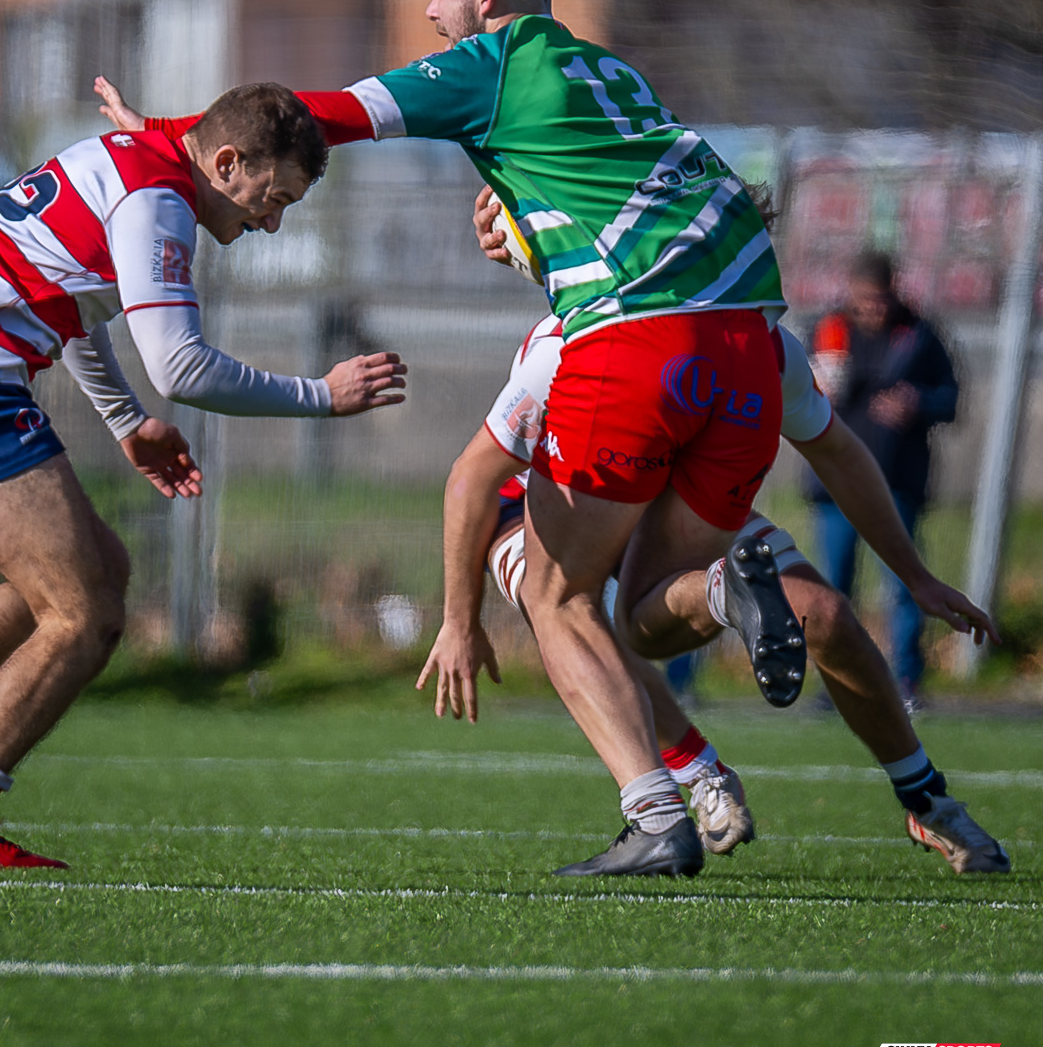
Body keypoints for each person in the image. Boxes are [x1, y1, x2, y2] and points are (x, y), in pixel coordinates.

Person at [98, 0, 803, 880]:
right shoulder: (611, 70)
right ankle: (726, 593)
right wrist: (524, 230)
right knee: (644, 607)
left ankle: (654, 816)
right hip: (745, 341)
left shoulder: (489, 62)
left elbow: (315, 117)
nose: (429, 16)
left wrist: (171, 134)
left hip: (631, 344)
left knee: (552, 592)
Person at [0, 86, 406, 870]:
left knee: (101, 568)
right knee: (85, 615)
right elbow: (179, 365)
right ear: (225, 162)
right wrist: (321, 396)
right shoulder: (158, 198)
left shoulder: (122, 164)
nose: (269, 222)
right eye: (272, 197)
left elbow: (74, 309)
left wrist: (122, 423)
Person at [417, 297, 1007, 876]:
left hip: (671, 496)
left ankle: (927, 798)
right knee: (565, 606)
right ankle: (688, 778)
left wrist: (917, 577)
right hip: (552, 491)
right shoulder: (578, 339)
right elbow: (473, 477)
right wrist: (459, 619)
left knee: (822, 613)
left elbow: (838, 452)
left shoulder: (761, 348)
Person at [809, 249, 959, 706]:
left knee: (903, 586)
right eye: (866, 298)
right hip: (835, 484)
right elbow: (798, 391)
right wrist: (823, 386)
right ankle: (837, 685)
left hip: (897, 482)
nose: (874, 306)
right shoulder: (828, 329)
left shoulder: (919, 334)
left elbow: (950, 400)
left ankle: (906, 682)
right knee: (834, 587)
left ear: (894, 291)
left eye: (882, 298)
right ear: (852, 292)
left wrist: (917, 402)